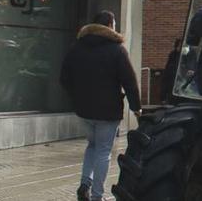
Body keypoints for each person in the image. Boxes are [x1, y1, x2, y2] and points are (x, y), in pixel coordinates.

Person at [60, 11, 142, 201]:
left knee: (92, 146)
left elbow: (64, 78)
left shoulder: (77, 47)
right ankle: (97, 195)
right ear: (110, 26)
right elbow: (130, 81)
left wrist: (76, 97)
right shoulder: (117, 50)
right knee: (103, 151)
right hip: (108, 111)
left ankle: (84, 184)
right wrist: (136, 108)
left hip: (84, 110)